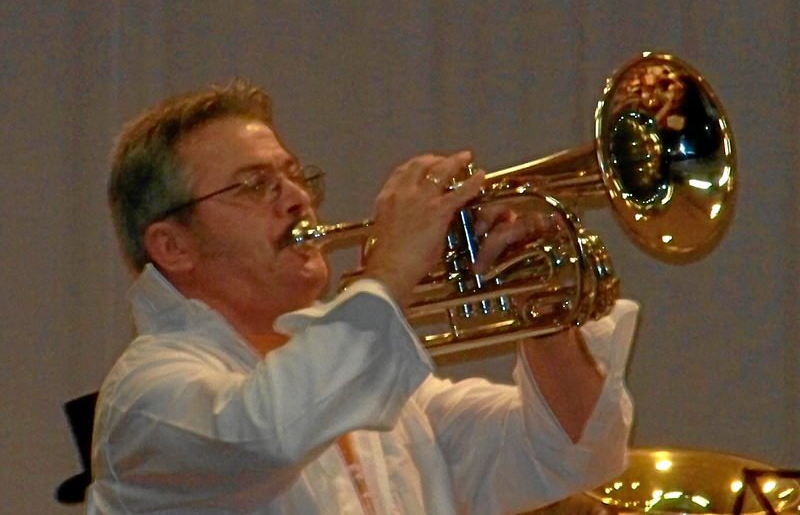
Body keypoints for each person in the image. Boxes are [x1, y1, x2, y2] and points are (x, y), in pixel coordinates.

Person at [87, 79, 639, 515]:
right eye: (255, 185)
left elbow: (570, 452)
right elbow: (266, 433)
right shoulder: (146, 396)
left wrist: (540, 309)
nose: (297, 199)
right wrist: (392, 269)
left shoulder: (376, 391)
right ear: (173, 246)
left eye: (294, 176)